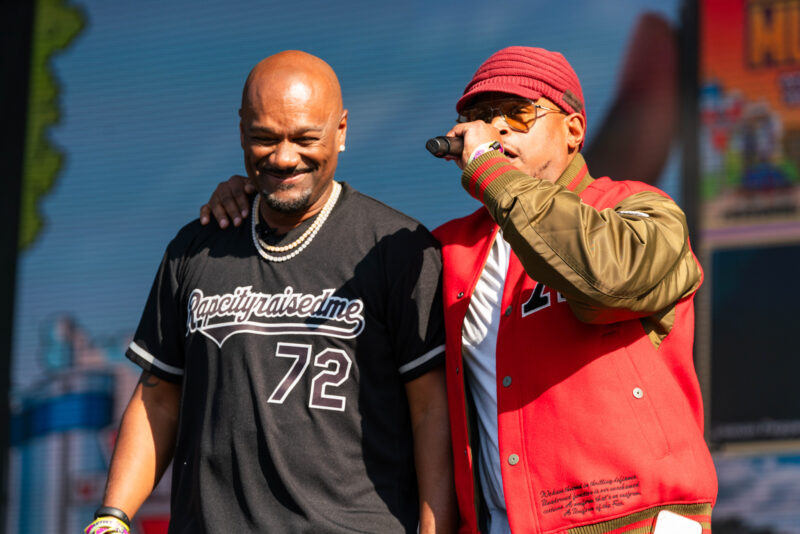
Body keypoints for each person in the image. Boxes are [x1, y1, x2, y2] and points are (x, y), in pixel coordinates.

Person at [201, 46, 718, 534]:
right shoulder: (448, 251)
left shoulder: (638, 209)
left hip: (634, 519)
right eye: (481, 116)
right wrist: (261, 199)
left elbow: (608, 281)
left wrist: (491, 171)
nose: (496, 127)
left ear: (573, 129)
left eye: (517, 113)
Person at [85, 50, 456, 534]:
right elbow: (158, 399)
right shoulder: (196, 247)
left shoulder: (396, 248)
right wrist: (111, 517)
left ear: (341, 130)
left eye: (305, 139)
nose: (283, 157)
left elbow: (431, 411)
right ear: (241, 131)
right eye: (264, 138)